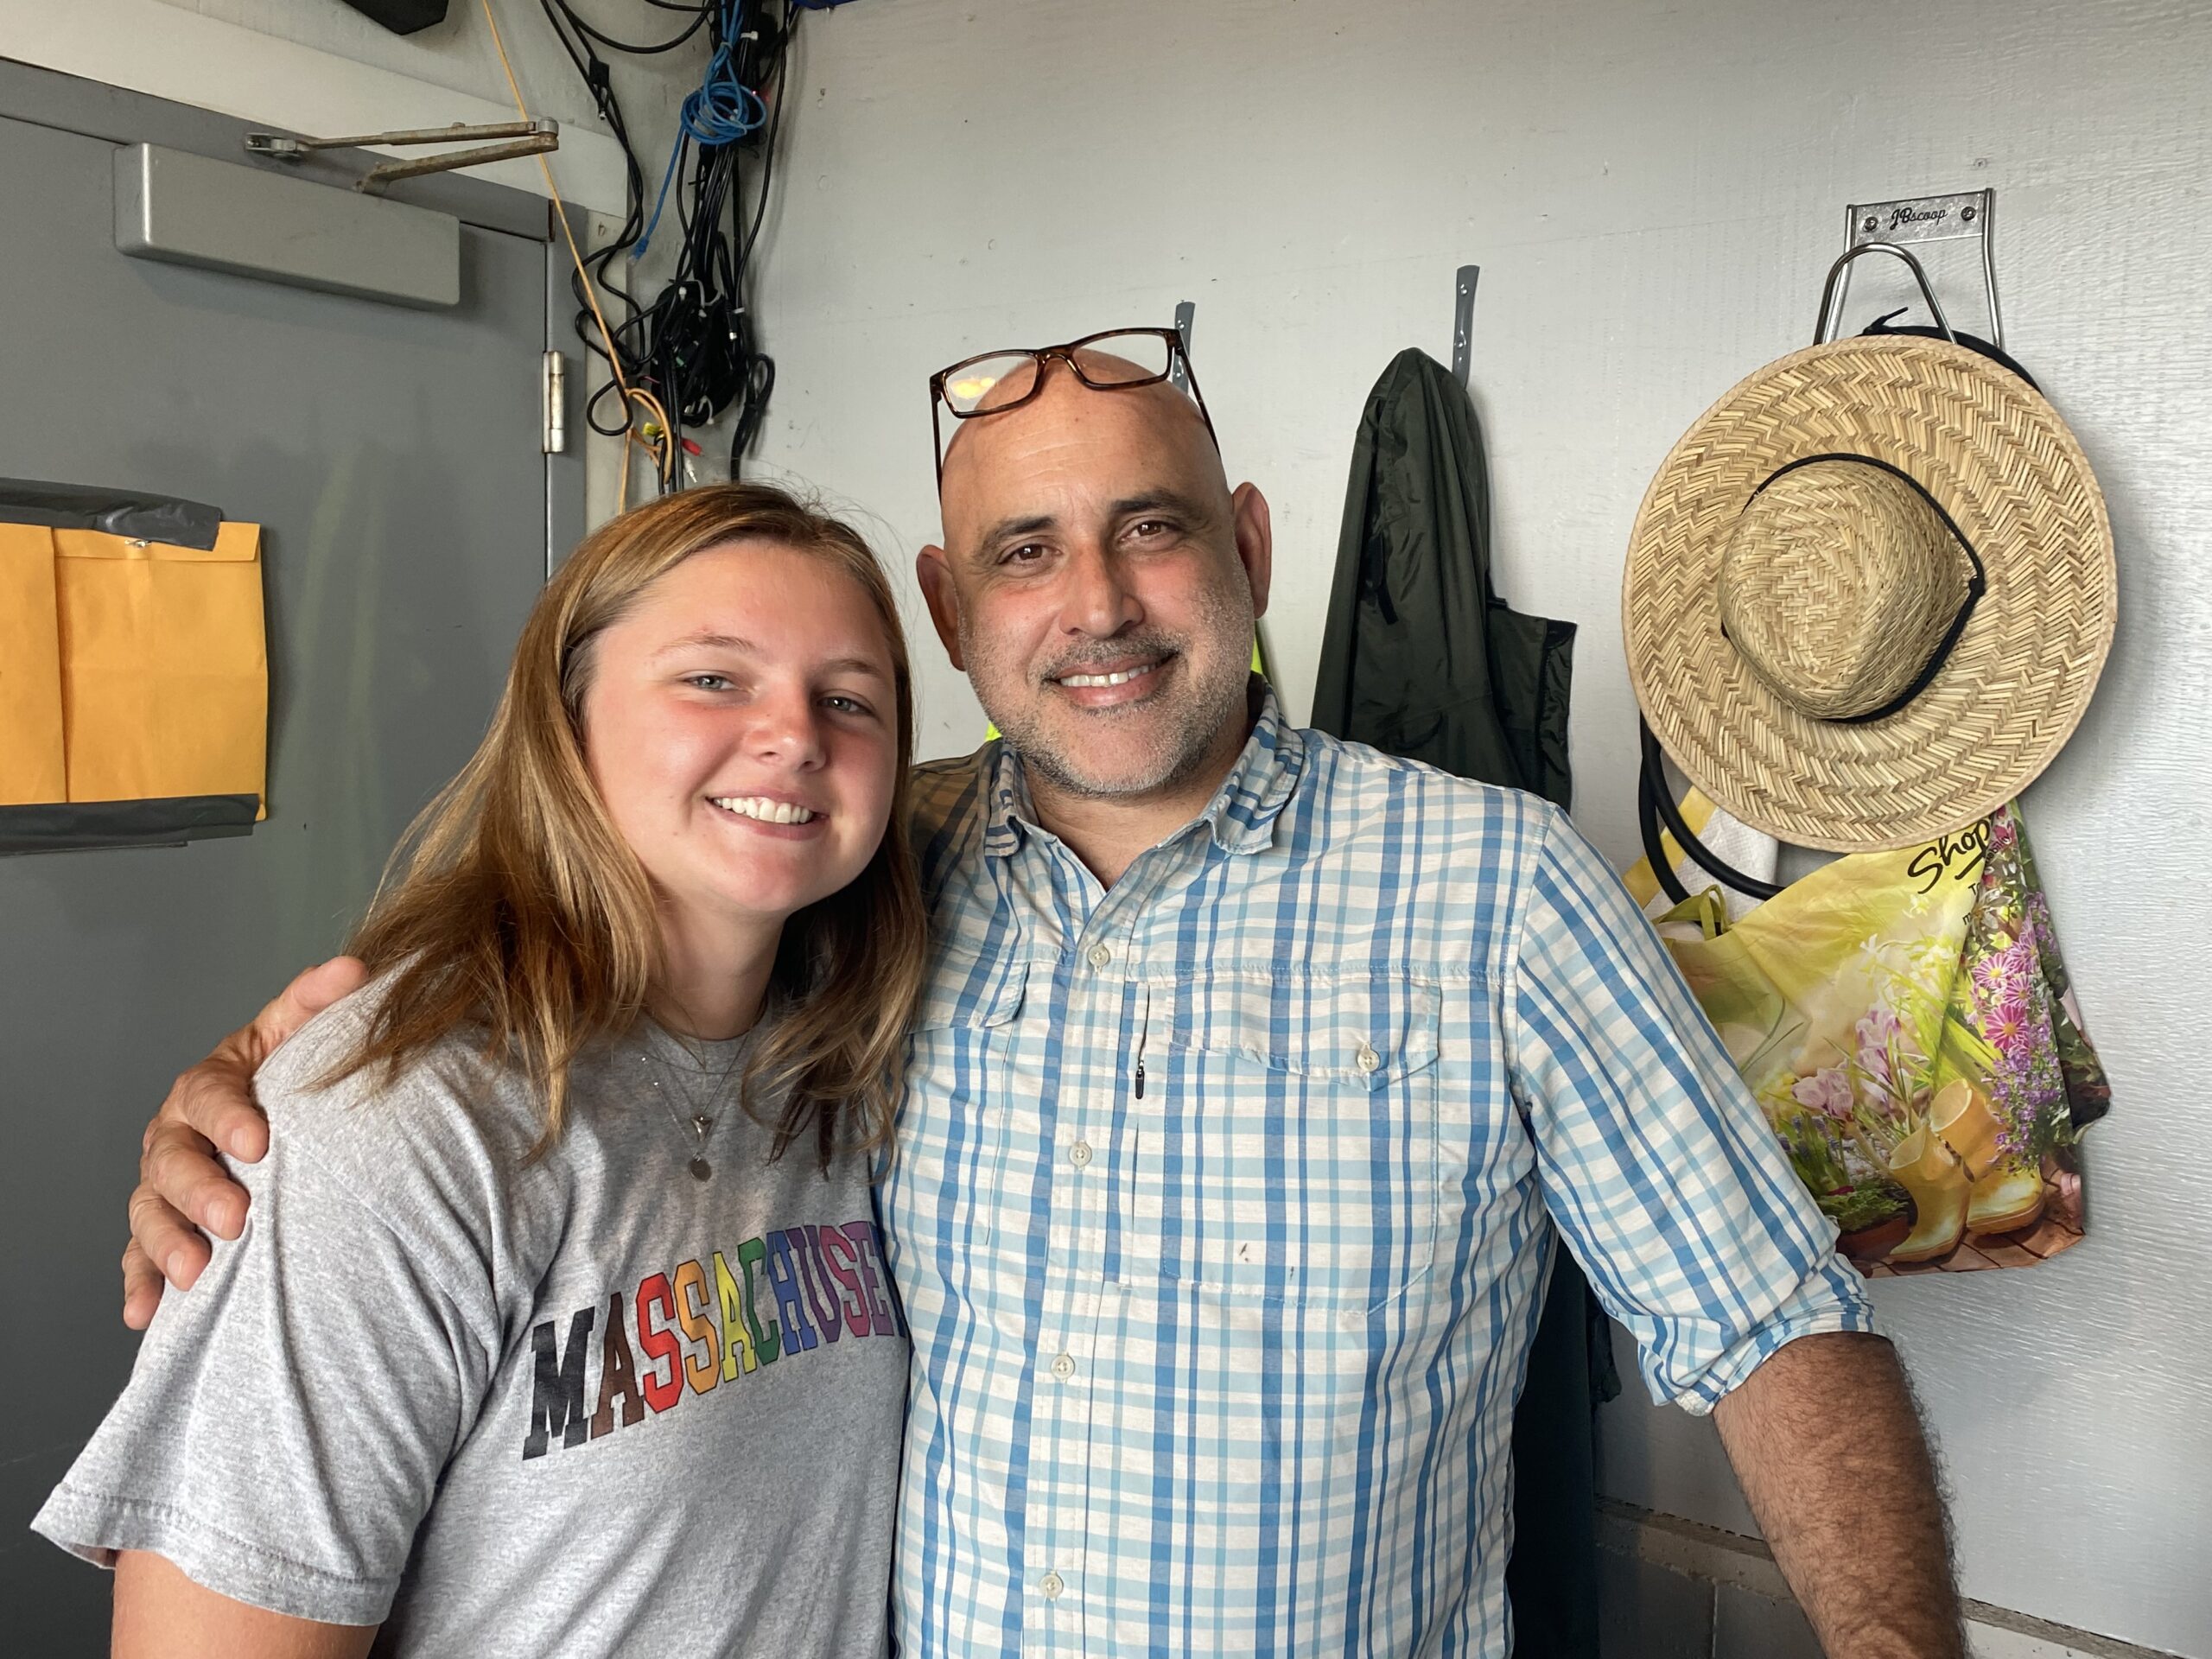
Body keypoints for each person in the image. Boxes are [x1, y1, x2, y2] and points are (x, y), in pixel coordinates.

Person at [119, 335, 1967, 1658]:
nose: (1097, 602)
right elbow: (552, 987)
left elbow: (1770, 1326)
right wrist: (282, 1096)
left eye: (1150, 528)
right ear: (950, 609)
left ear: (1248, 549)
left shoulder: (1494, 888)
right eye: (1024, 551)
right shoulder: (876, 881)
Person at [42, 485, 926, 1657]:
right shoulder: (399, 1118)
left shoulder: (859, 1053)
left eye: (849, 699)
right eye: (715, 677)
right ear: (567, 717)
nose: (798, 735)